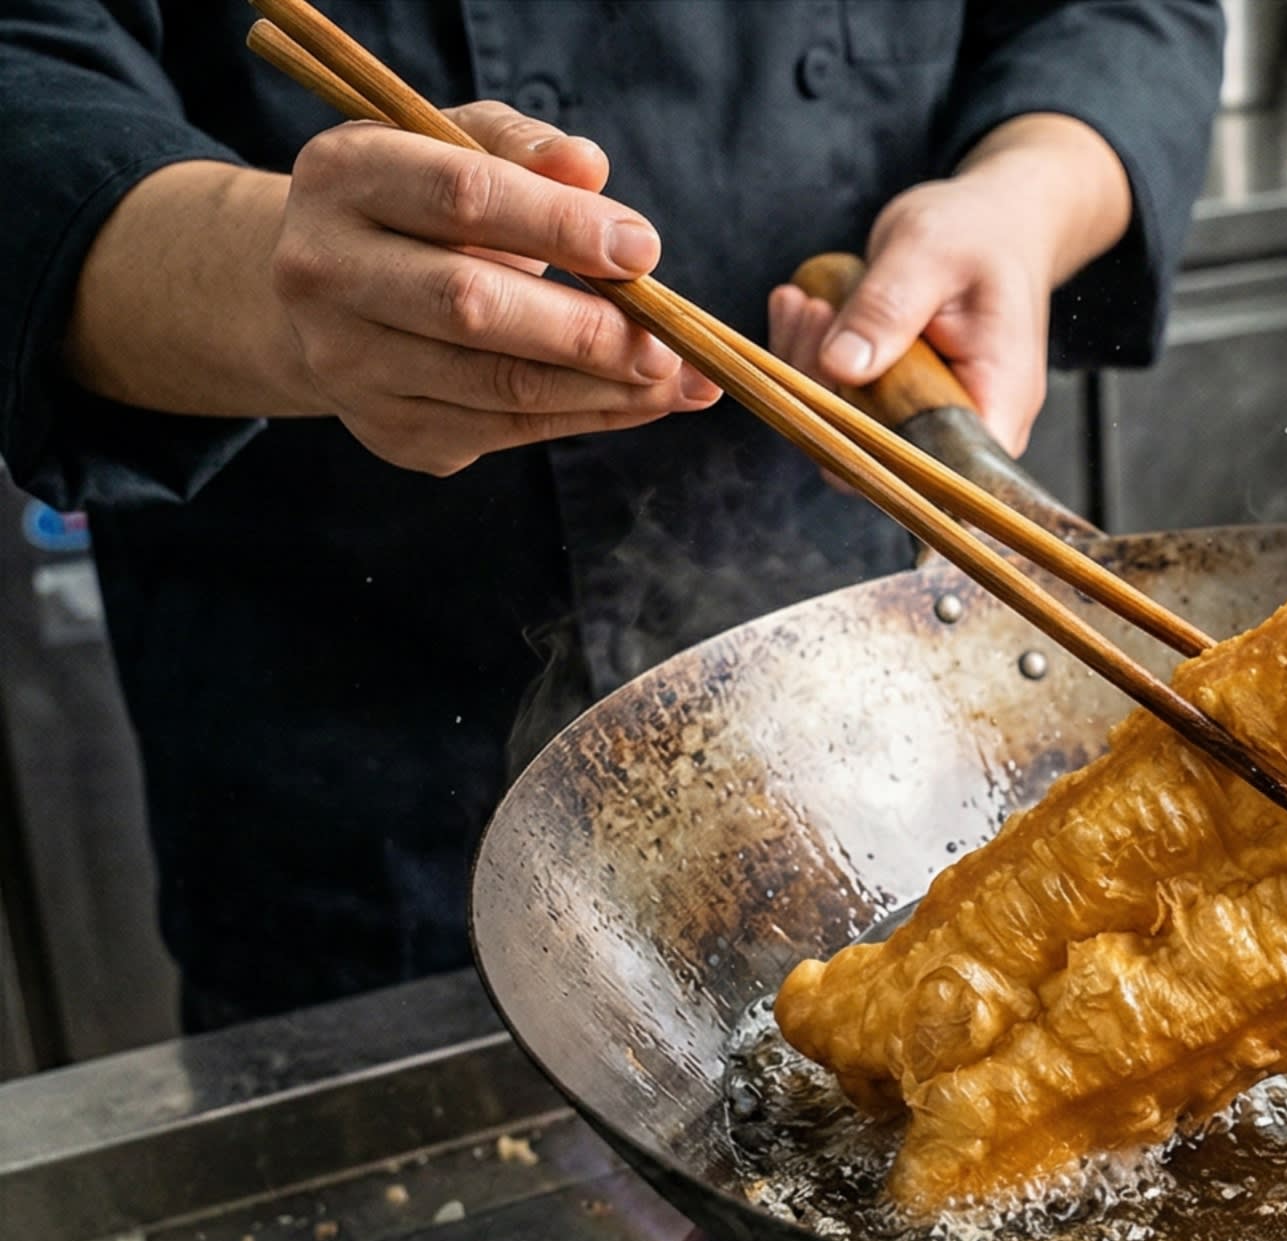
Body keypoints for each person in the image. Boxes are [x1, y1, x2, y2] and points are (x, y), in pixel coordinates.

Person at [0, 1, 1224, 1030]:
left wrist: (1024, 197)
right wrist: (272, 289)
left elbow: (1111, 14)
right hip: (360, 793)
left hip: (882, 728)